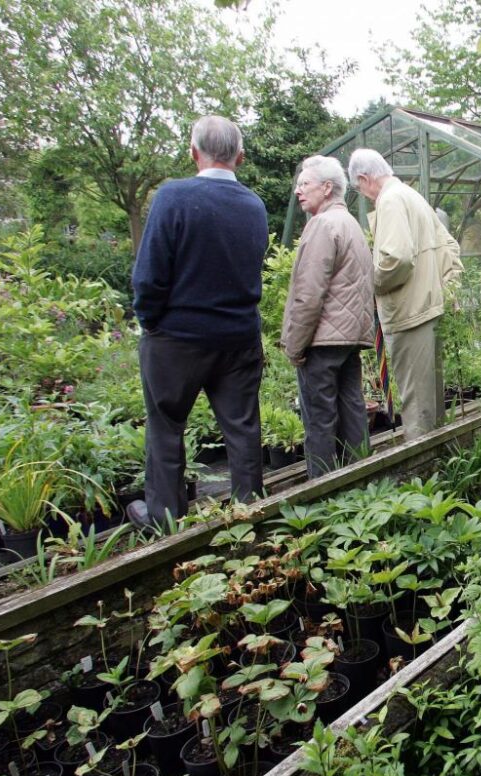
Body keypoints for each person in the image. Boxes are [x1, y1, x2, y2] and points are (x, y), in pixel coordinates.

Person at [130, 116, 269, 525]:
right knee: (242, 428)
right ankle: (249, 512)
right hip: (239, 337)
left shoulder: (173, 196)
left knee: (166, 427)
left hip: (178, 339)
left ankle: (166, 522)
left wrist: (149, 321)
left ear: (193, 153)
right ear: (240, 158)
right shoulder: (254, 206)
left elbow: (150, 273)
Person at [347, 148, 464, 440]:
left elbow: (395, 258)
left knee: (417, 408)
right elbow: (449, 247)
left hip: (410, 314)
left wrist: (369, 284)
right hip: (428, 308)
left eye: (359, 188)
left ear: (364, 178)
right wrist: (445, 291)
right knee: (432, 403)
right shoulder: (412, 196)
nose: (363, 195)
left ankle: (422, 480)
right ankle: (441, 469)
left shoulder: (390, 200)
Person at [281, 156, 375, 477]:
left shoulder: (322, 225)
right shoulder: (351, 224)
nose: (298, 191)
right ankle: (362, 482)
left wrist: (294, 346)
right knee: (352, 412)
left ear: (326, 187)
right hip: (349, 337)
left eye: (304, 184)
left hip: (322, 341)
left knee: (319, 420)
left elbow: (308, 294)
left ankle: (322, 494)